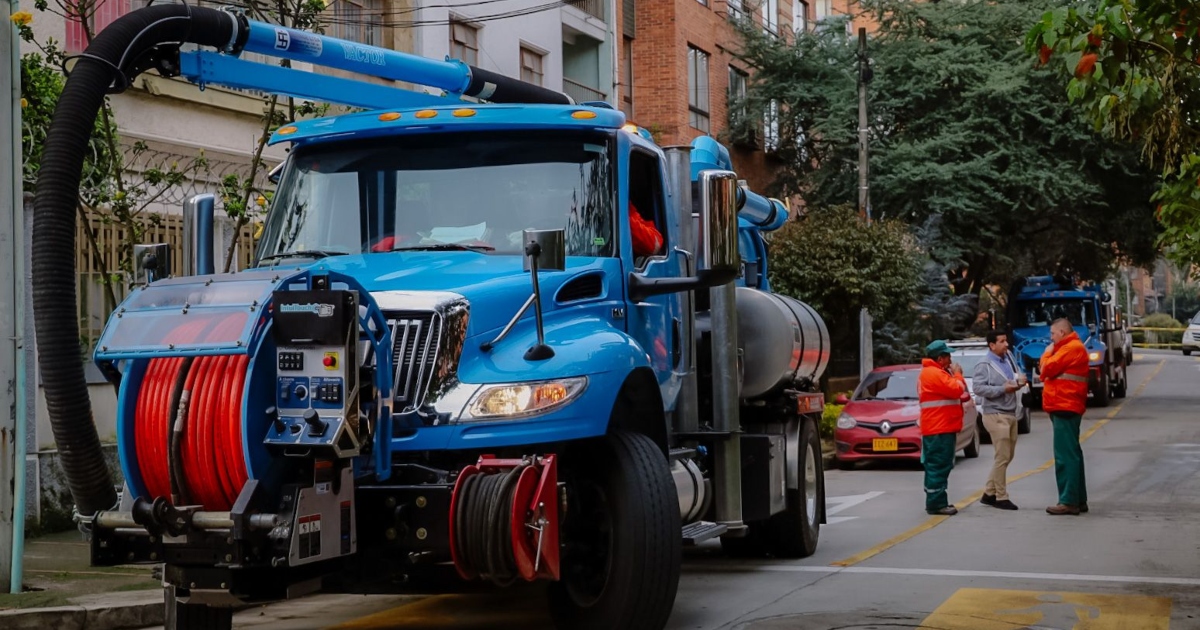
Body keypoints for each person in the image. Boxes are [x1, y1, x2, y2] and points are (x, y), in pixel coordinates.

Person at [1040, 318, 1090, 515]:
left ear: (1062, 332)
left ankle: (1068, 500)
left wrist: (1046, 353)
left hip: (1064, 404)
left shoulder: (1070, 348)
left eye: (1053, 333)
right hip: (1066, 404)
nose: (1051, 338)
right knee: (1072, 453)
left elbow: (1046, 368)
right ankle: (1078, 499)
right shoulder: (1071, 348)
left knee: (1065, 456)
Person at [973, 330, 1025, 511]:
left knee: (1008, 455)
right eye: (1002, 341)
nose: (1006, 344)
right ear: (992, 345)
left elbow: (1013, 379)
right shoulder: (984, 364)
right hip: (995, 414)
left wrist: (1019, 383)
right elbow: (978, 388)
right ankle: (1001, 497)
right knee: (1002, 456)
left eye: (1006, 341)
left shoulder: (1008, 358)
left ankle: (989, 493)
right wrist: (1002, 389)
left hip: (1010, 412)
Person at [918, 340, 970, 516]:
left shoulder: (934, 372)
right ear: (940, 358)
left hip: (940, 427)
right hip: (939, 428)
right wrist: (958, 374)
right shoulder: (933, 373)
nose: (951, 360)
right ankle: (936, 504)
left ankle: (936, 500)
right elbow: (956, 389)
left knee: (938, 465)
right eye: (948, 356)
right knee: (938, 465)